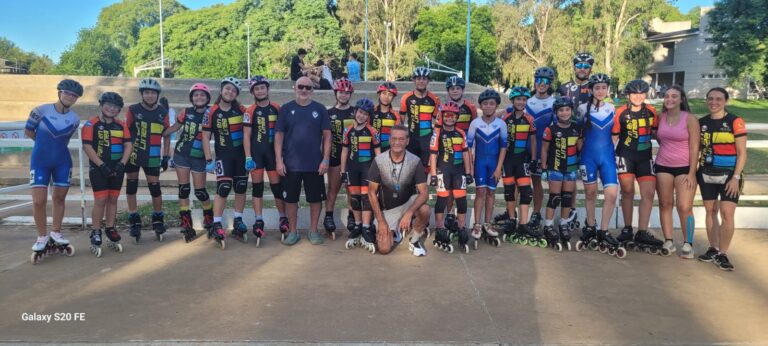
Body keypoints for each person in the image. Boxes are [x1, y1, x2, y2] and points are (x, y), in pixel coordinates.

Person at [27, 79, 82, 262]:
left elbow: (64, 141)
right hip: (40, 161)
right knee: (38, 201)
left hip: (62, 161)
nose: (70, 97)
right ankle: (42, 236)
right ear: (59, 92)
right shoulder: (40, 111)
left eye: (74, 95)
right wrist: (43, 147)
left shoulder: (75, 119)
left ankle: (56, 232)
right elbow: (29, 132)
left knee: (59, 198)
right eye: (67, 93)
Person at [275, 76, 332, 245]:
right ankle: (293, 231)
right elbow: (278, 136)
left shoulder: (320, 109)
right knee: (291, 199)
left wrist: (325, 160)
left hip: (314, 165)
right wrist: (279, 160)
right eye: (301, 87)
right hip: (291, 165)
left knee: (315, 199)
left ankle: (313, 231)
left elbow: (327, 137)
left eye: (308, 87)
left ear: (312, 90)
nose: (304, 90)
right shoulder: (286, 109)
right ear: (295, 88)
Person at [696, 87, 747, 271]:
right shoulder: (701, 123)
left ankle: (723, 253)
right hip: (706, 172)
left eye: (718, 99)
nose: (714, 102)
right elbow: (698, 150)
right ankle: (713, 248)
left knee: (727, 213)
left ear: (725, 101)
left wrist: (736, 177)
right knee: (710, 211)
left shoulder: (735, 121)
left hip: (729, 175)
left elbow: (742, 153)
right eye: (710, 99)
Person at [613, 79, 665, 255]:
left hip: (644, 157)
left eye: (641, 93)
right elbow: (614, 136)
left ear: (645, 94)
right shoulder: (620, 112)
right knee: (627, 192)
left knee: (648, 193)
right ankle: (627, 228)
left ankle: (642, 231)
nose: (638, 97)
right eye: (634, 93)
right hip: (625, 156)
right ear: (628, 95)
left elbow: (657, 133)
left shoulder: (651, 111)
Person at [576, 73, 622, 257]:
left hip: (607, 158)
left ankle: (604, 230)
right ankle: (590, 225)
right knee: (590, 193)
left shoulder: (613, 109)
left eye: (604, 87)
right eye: (597, 88)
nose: (601, 91)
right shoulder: (581, 109)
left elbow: (616, 133)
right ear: (591, 89)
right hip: (588, 157)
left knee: (611, 194)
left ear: (608, 89)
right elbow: (578, 134)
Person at [81, 92, 132, 257]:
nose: (111, 109)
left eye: (115, 107)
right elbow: (87, 147)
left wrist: (122, 164)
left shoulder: (121, 125)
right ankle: (96, 231)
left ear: (119, 110)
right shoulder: (91, 124)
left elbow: (128, 146)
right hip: (98, 168)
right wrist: (101, 165)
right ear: (101, 105)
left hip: (117, 167)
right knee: (101, 200)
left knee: (113, 199)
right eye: (108, 105)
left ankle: (110, 228)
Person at [201, 77, 249, 249]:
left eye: (234, 91)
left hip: (241, 157)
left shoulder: (241, 110)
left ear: (236, 95)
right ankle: (217, 224)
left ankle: (238, 220)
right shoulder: (211, 112)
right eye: (228, 89)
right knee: (223, 189)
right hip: (223, 157)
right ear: (221, 90)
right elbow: (205, 137)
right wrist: (209, 159)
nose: (230, 92)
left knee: (241, 187)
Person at [368, 125, 431, 256]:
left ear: (407, 141)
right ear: (390, 140)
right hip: (388, 211)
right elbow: (371, 193)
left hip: (407, 204)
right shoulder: (379, 161)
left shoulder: (414, 161)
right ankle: (396, 230)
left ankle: (414, 240)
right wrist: (380, 221)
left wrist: (409, 212)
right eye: (394, 138)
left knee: (425, 210)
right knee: (384, 249)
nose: (397, 142)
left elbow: (424, 192)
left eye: (401, 139)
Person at [164, 83, 214, 243]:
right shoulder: (186, 112)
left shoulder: (212, 113)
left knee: (200, 192)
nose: (199, 97)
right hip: (182, 155)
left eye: (202, 95)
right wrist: (157, 131)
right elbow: (174, 128)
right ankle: (186, 222)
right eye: (196, 95)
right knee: (184, 189)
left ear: (207, 98)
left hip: (199, 157)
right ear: (192, 98)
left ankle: (209, 218)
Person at [124, 78, 171, 243]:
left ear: (157, 95)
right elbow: (126, 132)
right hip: (134, 154)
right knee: (131, 187)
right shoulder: (132, 110)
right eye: (146, 93)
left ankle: (158, 219)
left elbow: (167, 135)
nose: (150, 96)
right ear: (142, 94)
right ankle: (133, 218)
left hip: (152, 154)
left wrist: (166, 156)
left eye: (152, 93)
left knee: (155, 188)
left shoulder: (162, 112)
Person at [655, 85, 699, 259]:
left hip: (684, 168)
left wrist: (692, 173)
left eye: (674, 96)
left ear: (681, 99)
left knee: (684, 206)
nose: (670, 99)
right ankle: (668, 240)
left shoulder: (690, 119)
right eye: (667, 96)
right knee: (665, 204)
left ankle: (688, 243)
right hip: (663, 165)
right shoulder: (661, 117)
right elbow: (656, 135)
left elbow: (695, 147)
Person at [243, 76, 288, 246]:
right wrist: (248, 156)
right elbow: (247, 135)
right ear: (253, 92)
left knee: (277, 188)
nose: (260, 91)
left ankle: (283, 218)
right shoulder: (250, 111)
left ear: (267, 89)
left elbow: (282, 133)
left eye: (262, 88)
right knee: (257, 188)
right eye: (257, 89)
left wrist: (281, 157)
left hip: (273, 155)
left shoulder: (277, 108)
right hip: (256, 155)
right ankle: (259, 219)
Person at [429, 101, 473, 253]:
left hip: (459, 172)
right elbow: (433, 155)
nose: (449, 118)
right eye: (446, 115)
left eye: (452, 116)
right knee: (441, 200)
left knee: (461, 201)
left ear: (457, 118)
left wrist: (468, 173)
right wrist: (433, 174)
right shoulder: (437, 133)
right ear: (442, 116)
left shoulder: (461, 133)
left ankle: (461, 228)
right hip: (443, 171)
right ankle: (440, 228)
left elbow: (466, 154)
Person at [540, 97, 582, 252]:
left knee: (566, 198)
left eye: (567, 110)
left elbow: (579, 147)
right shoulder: (550, 130)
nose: (564, 113)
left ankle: (563, 224)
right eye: (561, 110)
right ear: (556, 113)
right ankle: (548, 225)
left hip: (571, 169)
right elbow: (544, 149)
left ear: (571, 111)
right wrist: (544, 168)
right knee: (554, 197)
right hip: (555, 168)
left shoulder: (577, 128)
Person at [466, 89, 507, 247]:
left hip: (494, 164)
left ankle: (487, 223)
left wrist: (499, 168)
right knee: (480, 192)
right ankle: (477, 224)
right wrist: (470, 167)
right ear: (481, 106)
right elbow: (468, 148)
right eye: (485, 104)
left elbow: (503, 148)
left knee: (491, 192)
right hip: (480, 164)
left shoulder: (501, 124)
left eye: (492, 104)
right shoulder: (475, 123)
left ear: (496, 105)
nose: (488, 106)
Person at [341, 98, 381, 253]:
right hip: (352, 168)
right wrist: (343, 170)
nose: (361, 116)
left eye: (365, 114)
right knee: (355, 198)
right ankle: (357, 225)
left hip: (367, 169)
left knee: (366, 198)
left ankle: (366, 226)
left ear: (368, 115)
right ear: (355, 112)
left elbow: (378, 152)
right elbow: (345, 151)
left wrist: (378, 170)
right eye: (359, 112)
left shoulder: (372, 131)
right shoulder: (348, 130)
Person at [498, 86, 536, 243]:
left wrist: (533, 159)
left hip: (522, 160)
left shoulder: (529, 119)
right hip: (507, 161)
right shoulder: (505, 119)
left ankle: (523, 223)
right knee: (509, 192)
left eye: (524, 99)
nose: (521, 102)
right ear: (512, 101)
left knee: (526, 192)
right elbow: (500, 143)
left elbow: (533, 141)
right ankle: (512, 219)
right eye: (518, 99)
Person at [441, 76, 478, 227]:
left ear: (462, 90)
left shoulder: (470, 107)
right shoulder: (444, 107)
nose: (455, 91)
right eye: (452, 89)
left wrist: (472, 150)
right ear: (448, 91)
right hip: (449, 149)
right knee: (448, 186)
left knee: (461, 185)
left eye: (457, 88)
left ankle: (460, 215)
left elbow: (475, 126)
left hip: (465, 149)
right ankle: (449, 214)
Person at [324, 78, 356, 239]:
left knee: (351, 190)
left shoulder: (356, 112)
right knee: (333, 190)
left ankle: (352, 217)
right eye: (341, 92)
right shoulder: (328, 113)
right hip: (334, 157)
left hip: (352, 158)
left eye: (346, 93)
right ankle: (328, 217)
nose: (343, 95)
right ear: (335, 93)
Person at [526, 67, 557, 231]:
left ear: (550, 83)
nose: (542, 84)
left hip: (542, 149)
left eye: (546, 81)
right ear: (535, 81)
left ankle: (536, 213)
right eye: (539, 80)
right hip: (524, 147)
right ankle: (517, 215)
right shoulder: (526, 100)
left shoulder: (554, 103)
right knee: (521, 183)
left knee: (537, 182)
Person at [400, 67, 440, 169]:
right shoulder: (406, 98)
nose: (421, 81)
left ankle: (423, 185)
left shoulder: (434, 99)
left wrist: (436, 139)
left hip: (427, 137)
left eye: (424, 78)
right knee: (410, 168)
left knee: (425, 168)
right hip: (412, 138)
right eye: (418, 78)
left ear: (428, 81)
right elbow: (401, 121)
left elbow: (437, 121)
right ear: (414, 80)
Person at [557, 52, 594, 121]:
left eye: (586, 66)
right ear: (574, 67)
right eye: (579, 66)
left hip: (589, 128)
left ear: (590, 69)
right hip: (568, 128)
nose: (582, 69)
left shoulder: (595, 88)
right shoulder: (563, 88)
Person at [371, 82, 401, 152]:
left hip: (388, 151)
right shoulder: (370, 112)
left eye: (390, 95)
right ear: (379, 94)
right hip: (371, 151)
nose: (386, 97)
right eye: (384, 93)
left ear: (393, 97)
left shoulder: (396, 116)